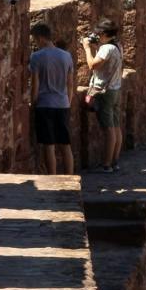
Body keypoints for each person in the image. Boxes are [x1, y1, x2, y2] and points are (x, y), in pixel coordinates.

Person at [78, 19, 126, 169]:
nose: (96, 36)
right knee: (116, 126)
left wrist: (86, 48)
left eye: (98, 34)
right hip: (115, 89)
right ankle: (115, 161)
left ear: (104, 33)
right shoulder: (117, 46)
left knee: (108, 129)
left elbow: (92, 65)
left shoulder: (106, 49)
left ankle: (106, 164)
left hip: (104, 91)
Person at [29, 27, 76, 176]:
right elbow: (70, 84)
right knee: (65, 145)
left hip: (44, 104)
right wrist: (68, 102)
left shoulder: (36, 57)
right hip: (62, 104)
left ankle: (53, 179)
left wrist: (33, 103)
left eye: (35, 40)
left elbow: (35, 84)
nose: (35, 43)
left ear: (41, 38)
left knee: (48, 145)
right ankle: (70, 177)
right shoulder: (66, 56)